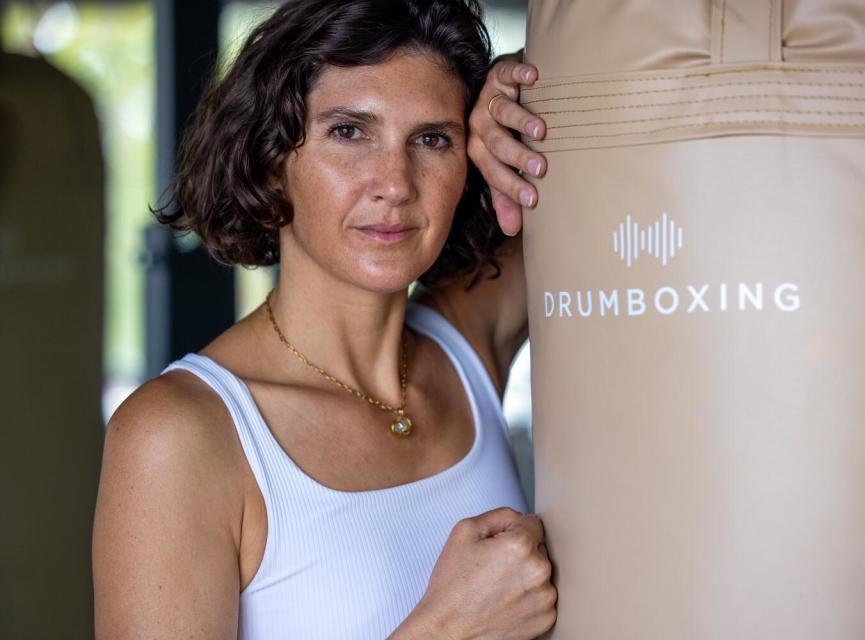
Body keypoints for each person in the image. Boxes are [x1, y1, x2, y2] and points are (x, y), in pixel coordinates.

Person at [91, 1, 555, 638]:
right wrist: (446, 629)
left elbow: (613, 160)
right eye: (349, 132)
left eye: (432, 138)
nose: (395, 183)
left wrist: (520, 85)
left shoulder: (466, 342)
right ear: (273, 158)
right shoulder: (180, 435)